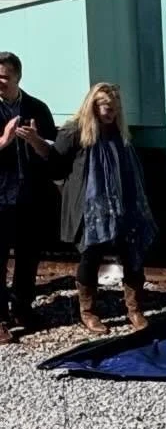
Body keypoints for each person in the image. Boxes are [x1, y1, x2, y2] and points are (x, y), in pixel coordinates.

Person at [31, 84, 157, 335]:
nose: (112, 114)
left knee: (132, 253)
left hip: (123, 204)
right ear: (93, 106)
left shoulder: (118, 131)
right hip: (92, 209)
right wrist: (35, 140)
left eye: (116, 109)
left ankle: (134, 309)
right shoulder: (74, 131)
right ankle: (88, 312)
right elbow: (56, 166)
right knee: (91, 256)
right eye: (107, 109)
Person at [0, 52, 57, 342]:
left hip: (30, 198)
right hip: (0, 197)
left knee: (28, 258)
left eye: (4, 77)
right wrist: (4, 140)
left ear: (18, 78)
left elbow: (53, 154)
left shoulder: (37, 108)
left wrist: (36, 141)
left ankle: (23, 307)